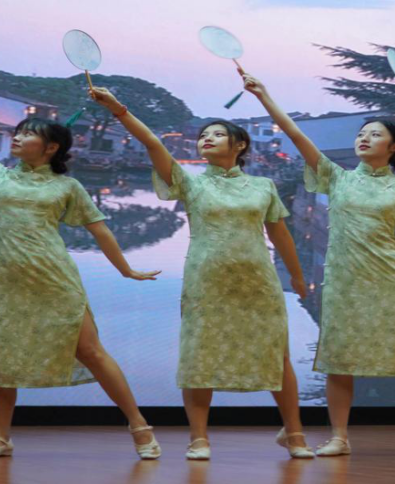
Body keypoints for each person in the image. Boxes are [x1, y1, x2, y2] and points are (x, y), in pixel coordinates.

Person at [89, 87, 313, 459]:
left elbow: (281, 234)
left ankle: (295, 434)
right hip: (206, 280)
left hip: (259, 280)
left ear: (240, 145)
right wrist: (117, 107)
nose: (206, 139)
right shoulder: (190, 181)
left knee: (278, 355)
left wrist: (298, 276)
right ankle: (199, 438)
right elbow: (152, 143)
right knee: (199, 355)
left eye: (217, 134)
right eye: (203, 135)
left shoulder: (263, 186)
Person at [240, 70, 395, 456]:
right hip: (342, 280)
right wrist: (264, 96)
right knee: (338, 357)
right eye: (361, 133)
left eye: (374, 134)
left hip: (391, 280)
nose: (363, 138)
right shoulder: (337, 177)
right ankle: (339, 436)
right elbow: (297, 136)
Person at [0, 119, 161, 459]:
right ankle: (0, 438)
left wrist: (126, 269)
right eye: (18, 132)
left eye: (28, 134)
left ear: (51, 147)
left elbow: (100, 230)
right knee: (1, 356)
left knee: (90, 351)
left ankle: (139, 426)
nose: (17, 138)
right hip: (4, 281)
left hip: (53, 277)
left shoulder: (67, 186)